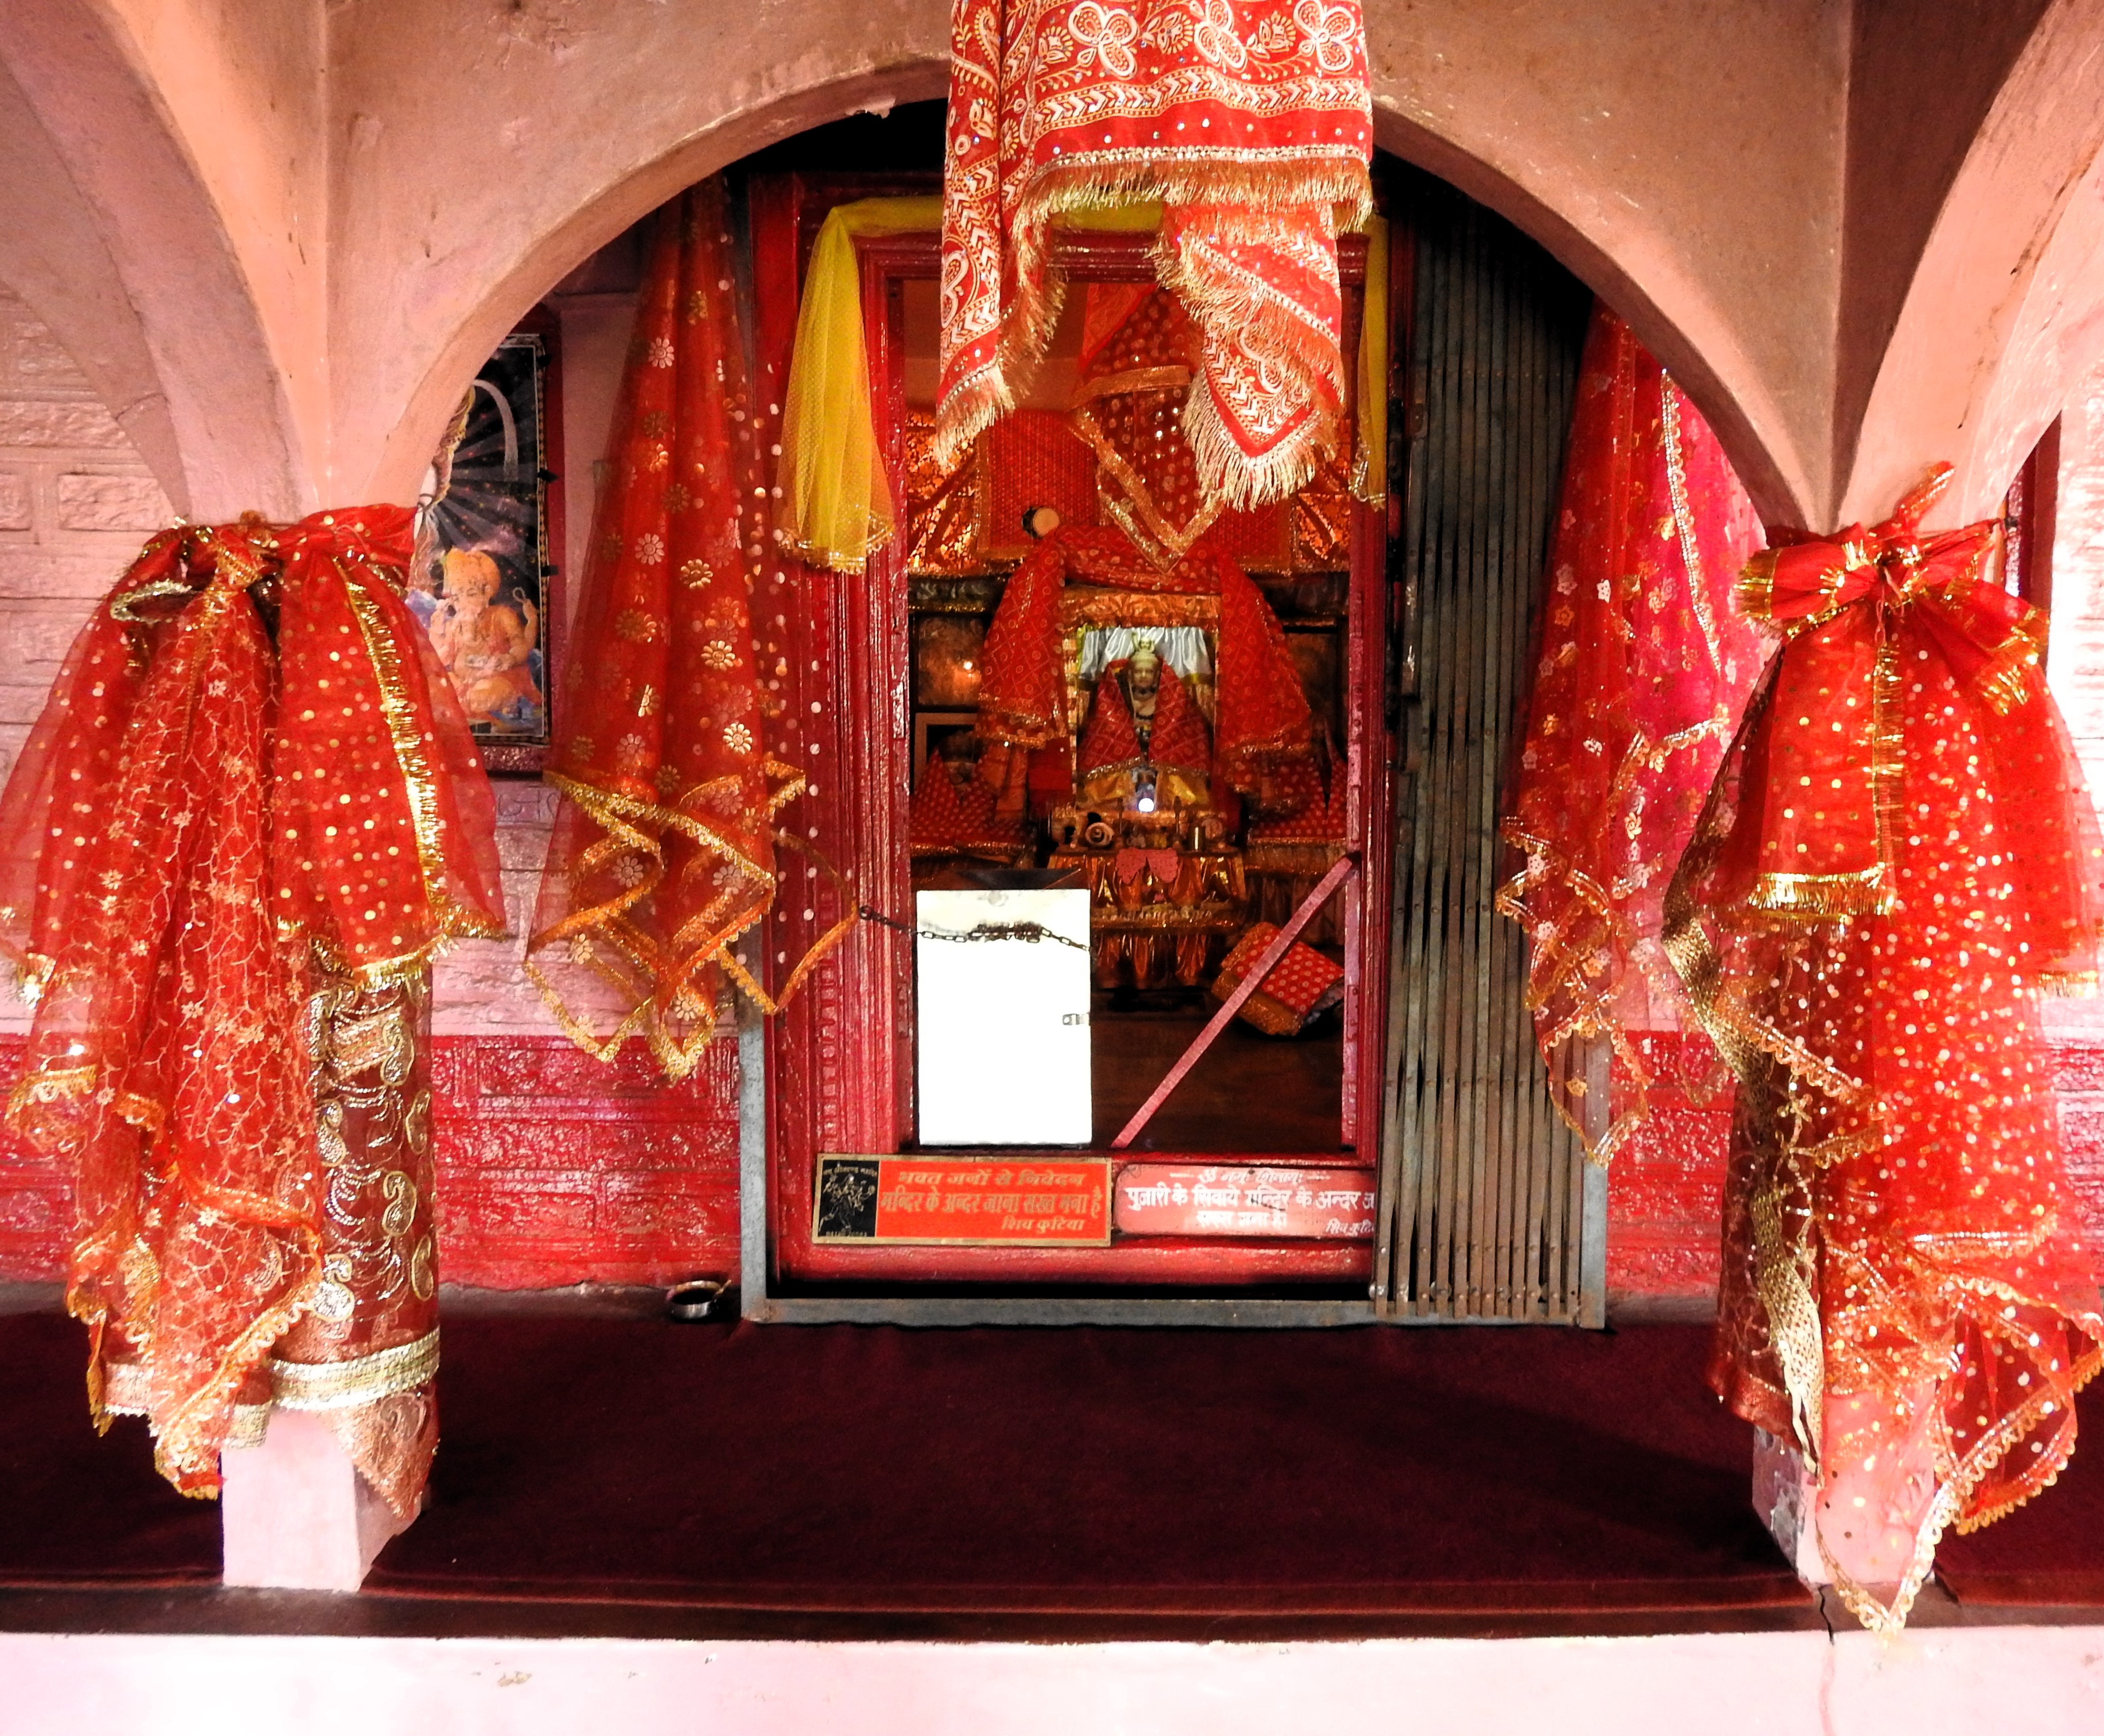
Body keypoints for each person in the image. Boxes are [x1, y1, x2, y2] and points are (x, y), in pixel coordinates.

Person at [427, 547, 542, 725]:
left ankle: (497, 706)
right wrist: (436, 630)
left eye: (471, 594)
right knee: (437, 687)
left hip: (498, 679)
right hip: (464, 683)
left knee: (487, 693)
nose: (463, 603)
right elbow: (441, 659)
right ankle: (467, 704)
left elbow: (521, 646)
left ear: (487, 592)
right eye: (457, 598)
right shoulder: (454, 625)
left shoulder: (502, 615)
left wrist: (509, 658)